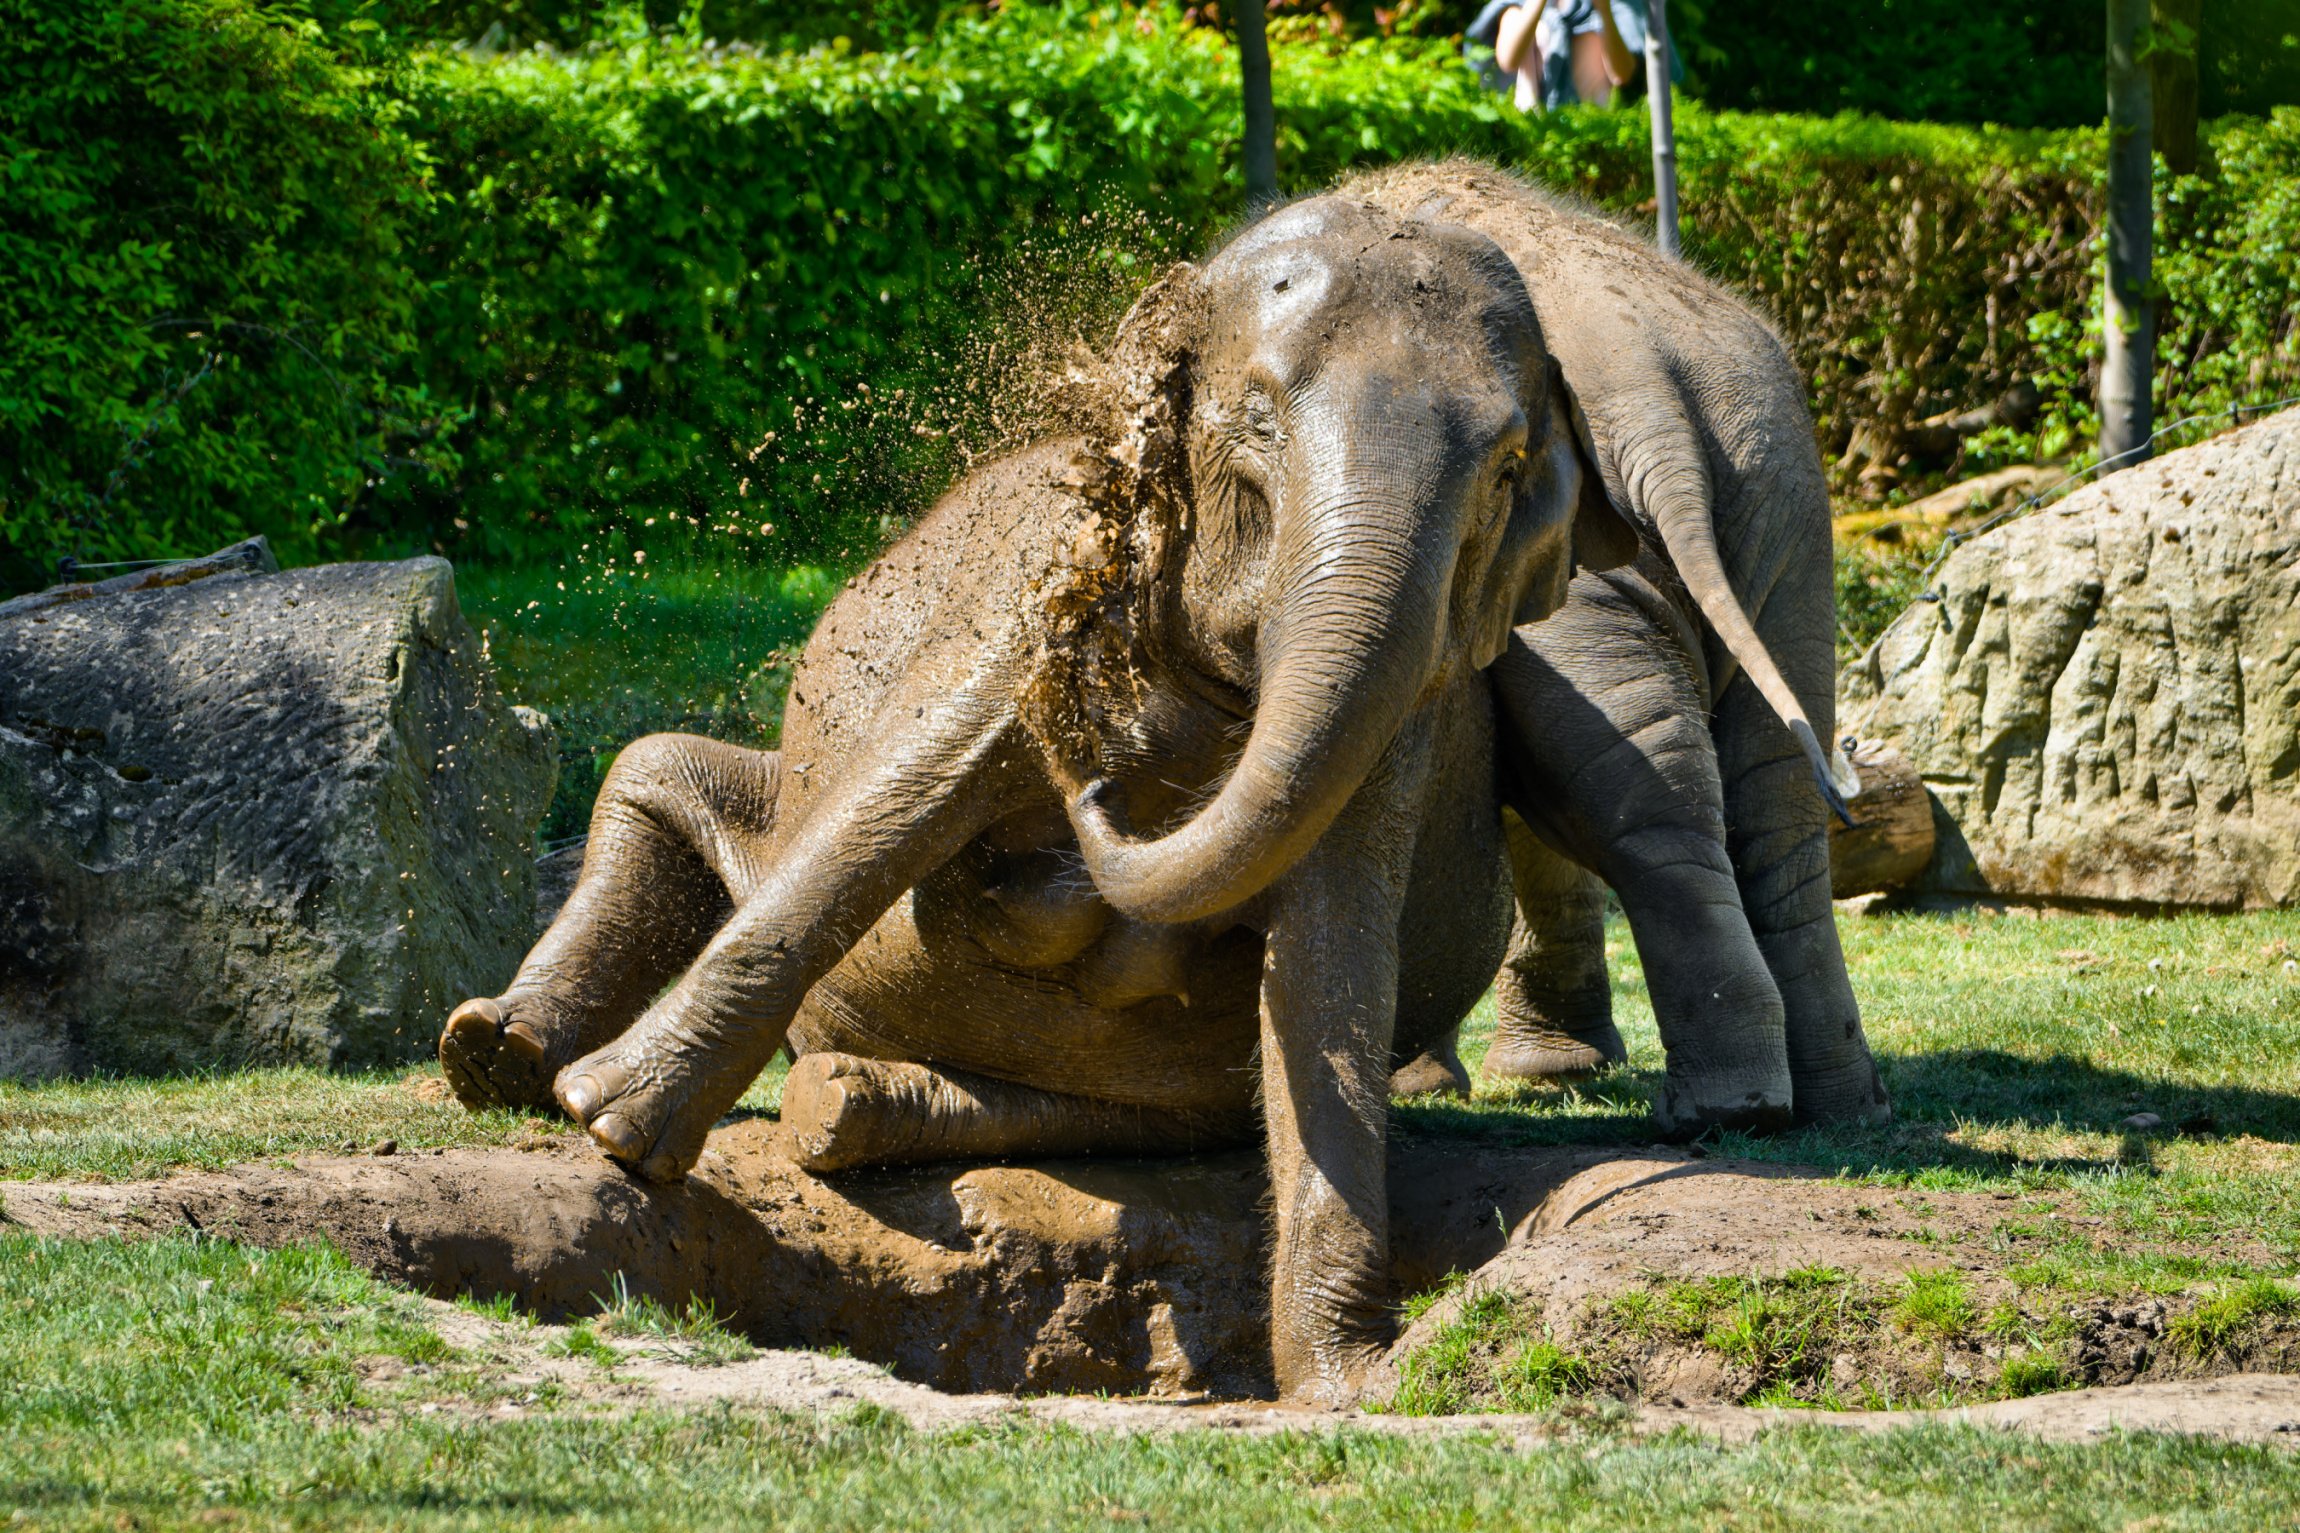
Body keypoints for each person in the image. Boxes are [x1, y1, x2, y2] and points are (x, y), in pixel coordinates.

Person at [1490, 0, 1648, 113]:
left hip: (1594, 130)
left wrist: (1604, 12)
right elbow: (1508, 60)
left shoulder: (1621, 4)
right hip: (1533, 129)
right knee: (1535, 27)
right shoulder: (1516, 6)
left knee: (1591, 39)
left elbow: (1622, 74)